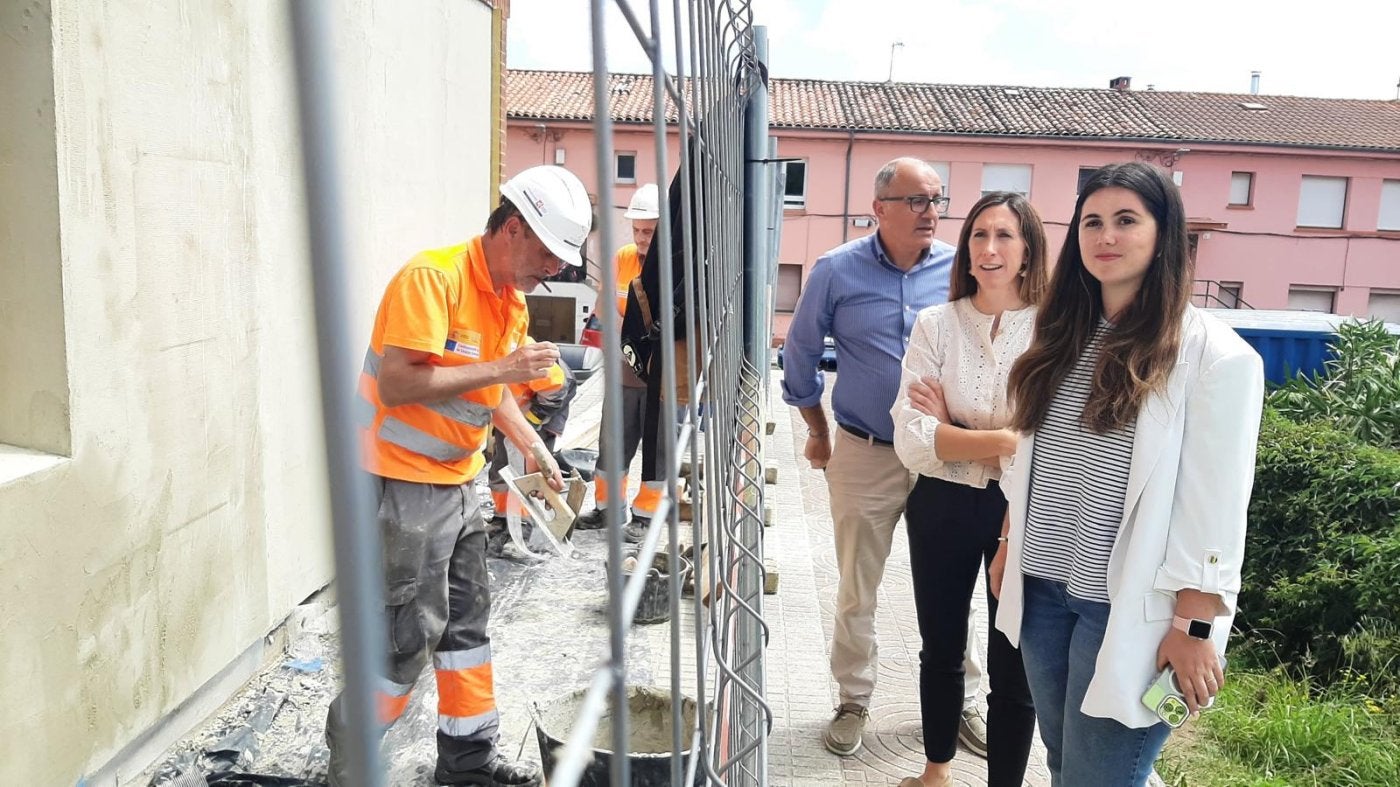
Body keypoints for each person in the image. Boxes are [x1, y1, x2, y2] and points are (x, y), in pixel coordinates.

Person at [990, 161, 1264, 786]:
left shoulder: (1214, 358)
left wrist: (1194, 626)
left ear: (1163, 234)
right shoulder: (1056, 337)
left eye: (1125, 220)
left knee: (1103, 776)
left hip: (1131, 608)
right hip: (1045, 594)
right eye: (1091, 221)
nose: (1105, 236)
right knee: (1066, 764)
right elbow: (1033, 461)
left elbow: (1216, 504)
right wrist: (1010, 542)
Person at [326, 164, 591, 787]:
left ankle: (468, 764)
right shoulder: (433, 279)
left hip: (458, 481)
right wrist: (503, 366)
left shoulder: (509, 299)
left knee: (468, 625)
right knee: (405, 639)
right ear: (515, 228)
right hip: (401, 482)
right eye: (551, 253)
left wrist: (532, 446)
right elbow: (398, 382)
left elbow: (493, 390)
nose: (556, 269)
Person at [782, 157, 986, 757]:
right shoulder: (835, 271)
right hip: (865, 450)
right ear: (880, 209)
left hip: (943, 455)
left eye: (936, 200)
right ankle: (853, 699)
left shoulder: (960, 269)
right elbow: (799, 356)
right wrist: (816, 429)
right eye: (917, 201)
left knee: (954, 585)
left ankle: (960, 703)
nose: (931, 212)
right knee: (857, 585)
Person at [890, 192, 1046, 787]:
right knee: (942, 643)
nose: (989, 248)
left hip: (1024, 507)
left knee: (1014, 658)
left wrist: (955, 430)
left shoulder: (1053, 332)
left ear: (1028, 249)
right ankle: (936, 771)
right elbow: (911, 437)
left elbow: (1050, 437)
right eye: (979, 235)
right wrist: (1007, 438)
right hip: (941, 503)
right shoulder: (937, 324)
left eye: (1004, 236)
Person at [575, 183, 660, 531]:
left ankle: (647, 516)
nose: (641, 239)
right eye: (637, 230)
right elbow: (602, 307)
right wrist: (634, 333)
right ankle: (608, 509)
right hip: (624, 370)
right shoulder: (623, 259)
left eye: (649, 232)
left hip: (660, 377)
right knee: (612, 445)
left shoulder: (673, 267)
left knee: (658, 450)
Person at [485, 349, 577, 562]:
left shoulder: (529, 360)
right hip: (510, 414)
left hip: (541, 414)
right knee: (501, 466)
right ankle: (502, 518)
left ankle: (524, 524)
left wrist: (533, 421)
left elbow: (559, 389)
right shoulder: (486, 362)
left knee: (528, 471)